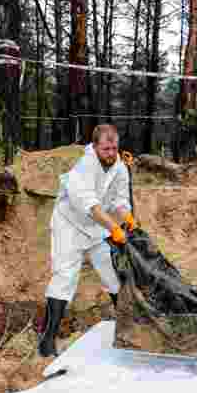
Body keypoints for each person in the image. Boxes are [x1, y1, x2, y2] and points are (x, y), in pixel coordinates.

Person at [38, 124, 135, 357]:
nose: (111, 153)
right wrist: (114, 228)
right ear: (95, 146)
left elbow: (119, 201)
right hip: (69, 226)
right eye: (106, 149)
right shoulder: (84, 167)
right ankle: (47, 340)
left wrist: (128, 218)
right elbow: (90, 206)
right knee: (65, 277)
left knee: (113, 274)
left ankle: (128, 330)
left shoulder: (119, 168)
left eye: (114, 148)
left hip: (95, 228)